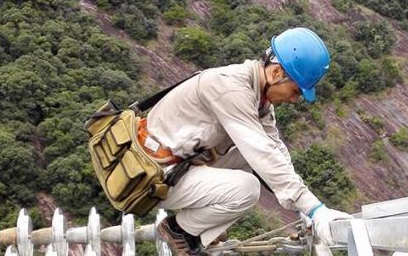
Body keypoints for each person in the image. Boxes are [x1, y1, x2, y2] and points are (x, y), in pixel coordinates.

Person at [145, 27, 352, 255]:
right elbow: (261, 152)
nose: (294, 100)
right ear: (276, 73)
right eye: (295, 90)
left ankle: (200, 227)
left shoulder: (259, 98)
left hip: (178, 165)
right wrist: (315, 209)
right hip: (151, 177)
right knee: (248, 188)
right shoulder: (232, 89)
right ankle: (180, 230)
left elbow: (275, 153)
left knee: (258, 163)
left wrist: (306, 211)